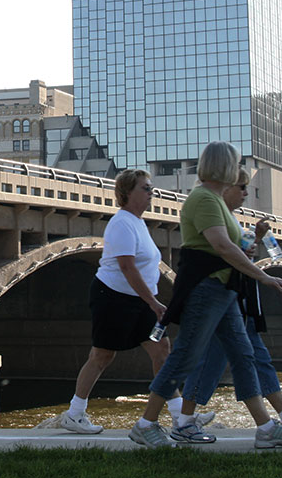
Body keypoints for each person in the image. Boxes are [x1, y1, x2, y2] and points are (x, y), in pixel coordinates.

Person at [128, 141, 282, 449]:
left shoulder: (216, 200)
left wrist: (248, 247)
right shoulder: (205, 198)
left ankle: (265, 428)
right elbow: (221, 246)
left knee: (242, 354)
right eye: (235, 164)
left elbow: (227, 244)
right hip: (206, 289)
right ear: (224, 166)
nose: (238, 171)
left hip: (223, 291)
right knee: (185, 356)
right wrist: (263, 276)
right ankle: (146, 424)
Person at [59, 169, 214, 434]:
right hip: (113, 298)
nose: (151, 192)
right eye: (146, 188)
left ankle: (180, 416)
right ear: (128, 193)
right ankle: (74, 413)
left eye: (151, 188)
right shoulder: (121, 223)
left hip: (139, 300)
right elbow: (128, 268)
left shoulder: (138, 222)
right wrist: (154, 302)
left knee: (162, 350)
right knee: (101, 355)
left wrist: (149, 301)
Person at [179, 168, 282, 430]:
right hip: (220, 297)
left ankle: (281, 416)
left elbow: (239, 257)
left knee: (251, 356)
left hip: (235, 298)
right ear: (225, 187)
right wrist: (264, 277)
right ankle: (182, 419)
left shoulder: (228, 218)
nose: (246, 192)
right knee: (221, 359)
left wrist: (255, 239)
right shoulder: (210, 211)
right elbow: (223, 253)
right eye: (242, 187)